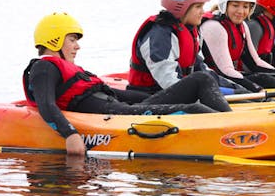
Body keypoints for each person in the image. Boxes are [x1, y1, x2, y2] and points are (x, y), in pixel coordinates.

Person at [23, 12, 232, 155]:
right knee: (193, 109)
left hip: (124, 108)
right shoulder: (44, 68)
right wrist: (70, 135)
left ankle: (234, 120)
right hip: (118, 117)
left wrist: (152, 99)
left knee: (201, 79)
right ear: (54, 41)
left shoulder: (69, 69)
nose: (77, 47)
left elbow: (112, 93)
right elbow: (46, 105)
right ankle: (235, 133)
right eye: (72, 40)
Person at [127, 0, 249, 96]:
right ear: (181, 7)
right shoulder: (160, 36)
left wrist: (236, 88)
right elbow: (169, 82)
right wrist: (219, 92)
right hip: (149, 94)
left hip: (175, 92)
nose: (203, 11)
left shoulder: (190, 31)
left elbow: (202, 70)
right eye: (198, 7)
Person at [201, 0, 275, 89]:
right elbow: (225, 70)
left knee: (265, 78)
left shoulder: (242, 26)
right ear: (224, 5)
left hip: (231, 77)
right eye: (235, 5)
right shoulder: (214, 27)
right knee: (263, 82)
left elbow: (255, 62)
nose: (241, 11)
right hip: (215, 82)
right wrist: (254, 87)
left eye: (245, 6)